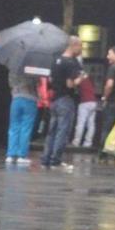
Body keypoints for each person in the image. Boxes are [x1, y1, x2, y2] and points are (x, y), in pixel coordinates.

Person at [42, 37, 84, 170]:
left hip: (55, 99)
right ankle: (56, 160)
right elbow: (70, 84)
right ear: (74, 45)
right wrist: (81, 78)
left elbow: (50, 79)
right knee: (62, 131)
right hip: (66, 99)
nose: (81, 49)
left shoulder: (56, 60)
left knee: (52, 131)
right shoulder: (71, 63)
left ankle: (46, 159)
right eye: (80, 46)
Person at [72, 67, 100, 151]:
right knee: (91, 124)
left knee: (81, 123)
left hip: (84, 102)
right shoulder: (89, 79)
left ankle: (76, 142)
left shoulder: (80, 79)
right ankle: (88, 143)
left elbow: (74, 85)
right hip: (93, 102)